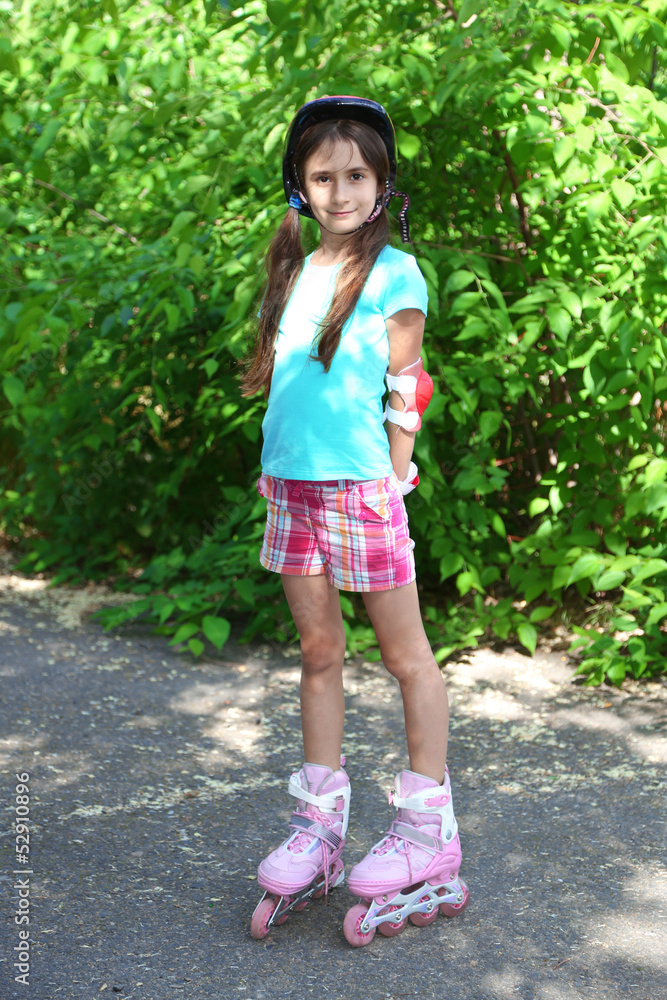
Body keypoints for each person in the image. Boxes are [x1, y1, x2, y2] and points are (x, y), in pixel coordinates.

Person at [241, 96, 469, 946]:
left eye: (357, 175)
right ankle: (319, 825)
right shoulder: (295, 270)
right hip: (292, 490)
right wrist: (274, 471)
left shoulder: (396, 271)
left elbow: (406, 382)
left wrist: (397, 470)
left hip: (362, 492)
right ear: (300, 186)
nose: (341, 190)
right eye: (323, 175)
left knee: (407, 658)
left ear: (381, 184)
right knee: (318, 653)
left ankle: (424, 829)